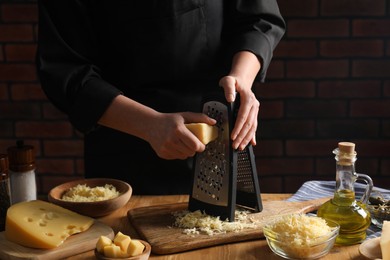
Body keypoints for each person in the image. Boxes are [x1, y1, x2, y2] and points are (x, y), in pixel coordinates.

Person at [36, 1, 286, 195]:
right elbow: (65, 71)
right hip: (124, 146)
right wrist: (149, 124)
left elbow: (258, 18)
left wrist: (241, 79)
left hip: (217, 134)